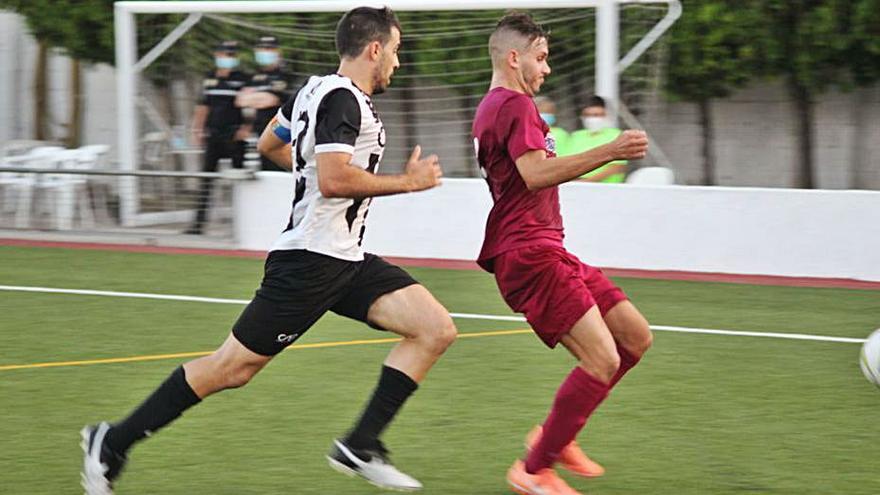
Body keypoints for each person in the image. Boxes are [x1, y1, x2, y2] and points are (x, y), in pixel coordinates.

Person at [82, 7, 457, 494]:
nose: (398, 63)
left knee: (435, 328)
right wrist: (407, 182)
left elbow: (269, 142)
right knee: (231, 368)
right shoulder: (345, 100)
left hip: (343, 257)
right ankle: (111, 442)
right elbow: (334, 178)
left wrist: (309, 176)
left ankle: (360, 444)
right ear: (374, 49)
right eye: (396, 51)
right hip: (309, 262)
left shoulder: (312, 89)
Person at [472, 12, 652, 495]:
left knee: (634, 337)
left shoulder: (501, 105)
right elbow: (533, 174)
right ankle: (533, 471)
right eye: (541, 57)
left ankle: (556, 438)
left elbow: (529, 173)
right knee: (601, 359)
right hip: (529, 254)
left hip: (547, 248)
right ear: (515, 58)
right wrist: (610, 150)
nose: (546, 68)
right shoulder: (512, 106)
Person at [186, 40, 250, 235]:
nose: (226, 59)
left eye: (230, 55)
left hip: (234, 136)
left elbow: (250, 104)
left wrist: (246, 127)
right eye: (224, 54)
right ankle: (197, 224)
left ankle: (242, 225)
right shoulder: (209, 79)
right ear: (217, 55)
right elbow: (203, 106)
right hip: (213, 135)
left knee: (239, 182)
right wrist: (196, 129)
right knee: (206, 180)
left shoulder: (242, 79)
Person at [237, 36, 294, 172]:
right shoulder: (254, 77)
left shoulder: (285, 75)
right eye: (262, 49)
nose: (264, 52)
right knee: (264, 169)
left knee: (279, 170)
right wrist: (261, 98)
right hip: (260, 131)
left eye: (268, 48)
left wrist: (254, 98)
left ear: (277, 52)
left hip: (280, 133)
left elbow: (271, 100)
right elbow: (241, 100)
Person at [566, 95, 628, 183]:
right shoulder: (576, 136)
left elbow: (617, 167)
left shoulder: (616, 135)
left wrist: (587, 182)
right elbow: (567, 163)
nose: (592, 119)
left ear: (606, 115)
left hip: (605, 188)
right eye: (588, 115)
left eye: (597, 115)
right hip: (575, 186)